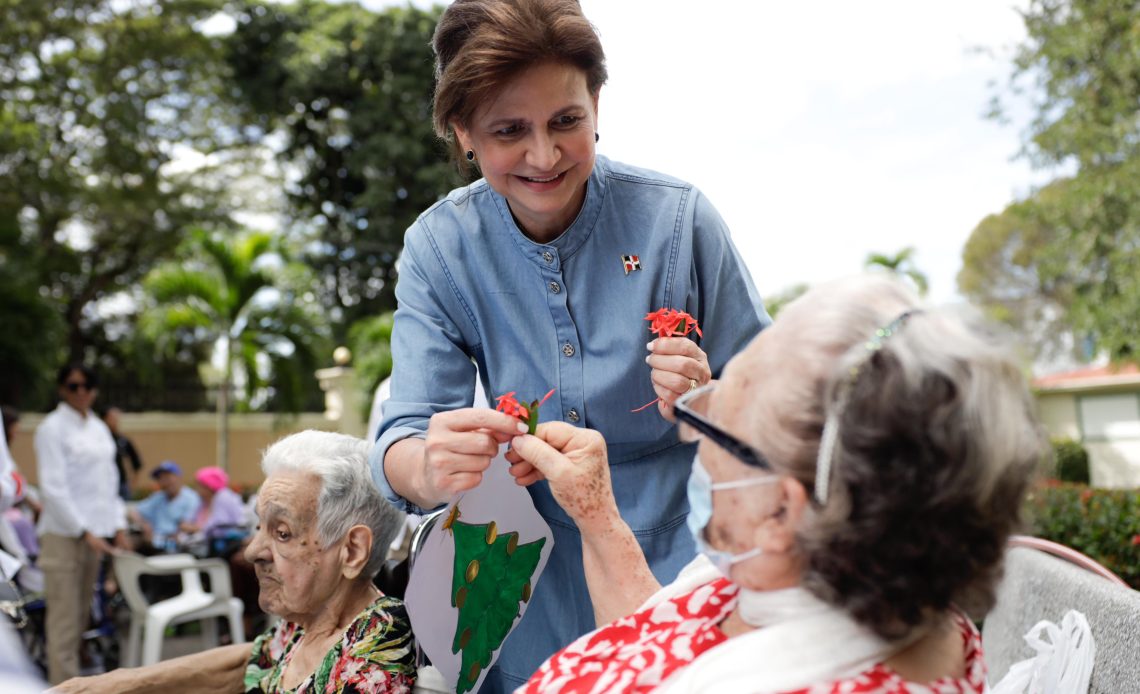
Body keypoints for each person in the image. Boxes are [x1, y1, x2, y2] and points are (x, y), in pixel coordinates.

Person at [372, 0, 768, 686]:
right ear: (464, 133)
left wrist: (710, 401)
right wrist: (432, 468)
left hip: (683, 576)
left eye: (566, 121)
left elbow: (779, 421)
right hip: (526, 597)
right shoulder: (440, 249)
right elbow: (401, 439)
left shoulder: (678, 222)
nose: (544, 156)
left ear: (597, 103)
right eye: (507, 131)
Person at [508, 274, 1044, 693]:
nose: (697, 436)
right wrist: (597, 516)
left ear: (781, 513)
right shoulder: (862, 586)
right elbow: (658, 639)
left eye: (718, 415)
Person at [55, 429, 417, 694]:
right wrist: (123, 682)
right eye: (260, 526)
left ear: (351, 551)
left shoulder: (379, 637)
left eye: (282, 533)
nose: (252, 551)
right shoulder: (306, 621)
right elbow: (249, 661)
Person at [34, 363, 131, 684]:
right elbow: (53, 488)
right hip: (65, 535)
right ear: (62, 388)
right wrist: (83, 530)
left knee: (80, 619)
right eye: (74, 385)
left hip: (96, 535)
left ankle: (72, 686)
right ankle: (62, 688)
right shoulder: (52, 428)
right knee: (63, 621)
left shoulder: (99, 428)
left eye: (87, 385)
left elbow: (110, 482)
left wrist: (117, 525)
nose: (81, 391)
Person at [128, 461, 200, 552]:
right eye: (160, 478)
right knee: (130, 541)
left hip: (178, 545)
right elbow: (134, 512)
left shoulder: (191, 498)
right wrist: (144, 525)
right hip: (153, 543)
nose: (164, 482)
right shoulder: (158, 497)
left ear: (178, 477)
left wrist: (180, 532)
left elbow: (187, 525)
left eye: (167, 477)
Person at [180, 466, 249, 557]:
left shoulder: (223, 497)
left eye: (199, 485)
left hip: (221, 546)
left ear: (209, 485)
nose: (196, 488)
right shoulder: (203, 501)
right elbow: (187, 522)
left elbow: (218, 526)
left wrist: (195, 528)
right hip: (205, 545)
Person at [103, 406, 143, 501]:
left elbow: (136, 463)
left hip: (121, 485)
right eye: (112, 418)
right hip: (104, 485)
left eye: (117, 418)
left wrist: (132, 485)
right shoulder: (98, 440)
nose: (116, 421)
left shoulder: (122, 440)